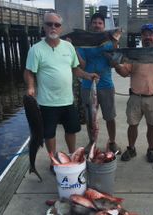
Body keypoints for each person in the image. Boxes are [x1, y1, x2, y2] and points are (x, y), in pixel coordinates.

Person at [24, 12, 99, 171]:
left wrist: (87, 75)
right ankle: (53, 161)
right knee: (49, 133)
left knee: (71, 129)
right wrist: (30, 87)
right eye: (49, 24)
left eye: (56, 25)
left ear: (61, 28)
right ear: (43, 26)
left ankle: (72, 155)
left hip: (68, 100)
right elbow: (29, 72)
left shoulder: (68, 46)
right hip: (47, 102)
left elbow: (75, 69)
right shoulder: (36, 49)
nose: (53, 27)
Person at [111, 23, 153, 163]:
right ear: (141, 37)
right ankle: (131, 148)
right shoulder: (135, 54)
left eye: (150, 34)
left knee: (152, 126)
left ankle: (151, 149)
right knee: (132, 125)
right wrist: (116, 64)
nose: (147, 37)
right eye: (145, 34)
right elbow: (123, 72)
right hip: (135, 96)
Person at [77, 13, 121, 154]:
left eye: (100, 23)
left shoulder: (109, 42)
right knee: (90, 118)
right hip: (87, 85)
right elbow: (82, 66)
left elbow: (113, 64)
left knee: (110, 116)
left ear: (104, 26)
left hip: (106, 85)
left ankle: (112, 142)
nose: (97, 25)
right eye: (94, 22)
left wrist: (114, 44)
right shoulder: (84, 42)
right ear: (91, 25)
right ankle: (92, 142)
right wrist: (74, 49)